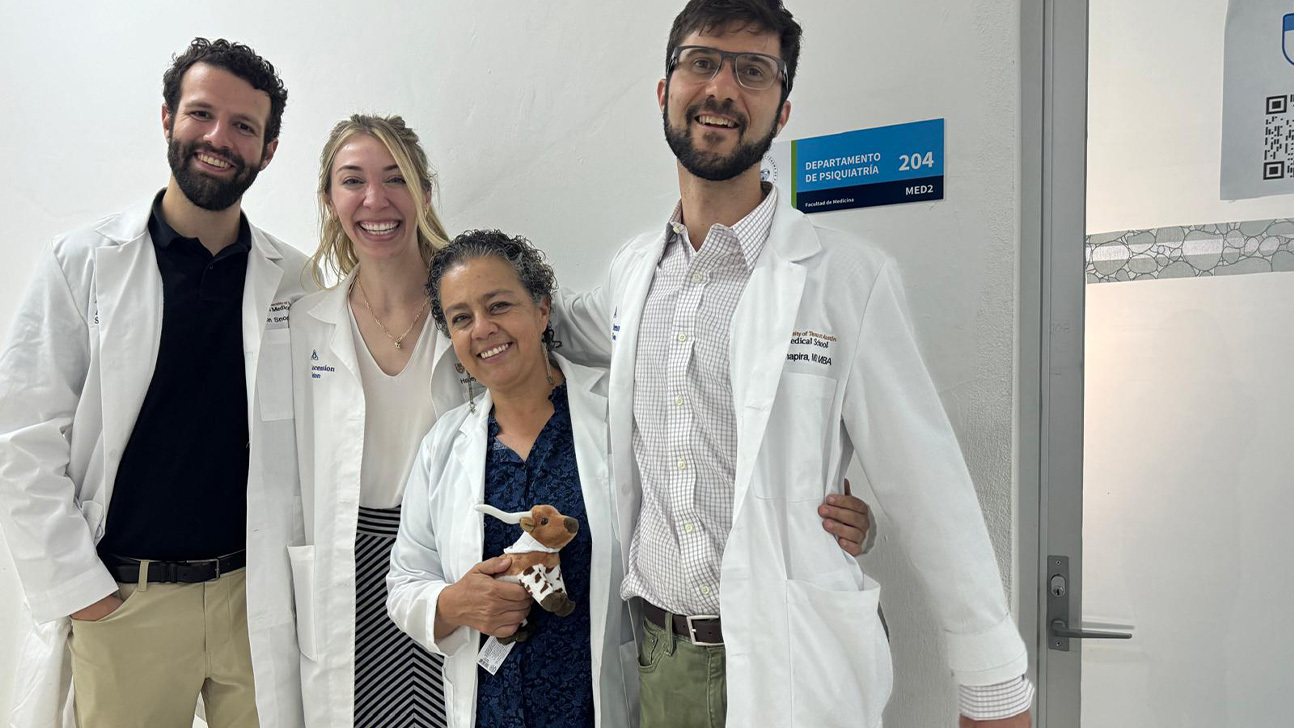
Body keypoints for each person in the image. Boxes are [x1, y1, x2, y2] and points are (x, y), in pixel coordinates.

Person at [555, 1, 1034, 726]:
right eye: (701, 62)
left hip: (789, 660)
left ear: (782, 111)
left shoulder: (843, 277)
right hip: (658, 662)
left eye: (753, 71)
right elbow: (533, 324)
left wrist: (993, 682)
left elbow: (927, 480)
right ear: (665, 91)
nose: (721, 88)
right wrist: (419, 262)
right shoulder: (633, 274)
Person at [0, 38, 310, 727]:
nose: (218, 138)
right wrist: (80, 590)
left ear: (268, 149)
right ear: (166, 118)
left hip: (254, 602)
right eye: (202, 114)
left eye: (243, 127)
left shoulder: (293, 277)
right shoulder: (82, 262)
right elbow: (23, 436)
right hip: (125, 602)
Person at [387, 230, 635, 728]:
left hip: (596, 708)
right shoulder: (444, 444)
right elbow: (404, 581)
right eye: (461, 318)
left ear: (543, 310)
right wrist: (453, 602)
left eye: (498, 305)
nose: (482, 329)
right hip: (490, 713)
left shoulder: (618, 416)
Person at [289, 114, 459, 727]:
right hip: (347, 574)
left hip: (451, 566)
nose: (375, 200)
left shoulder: (471, 313)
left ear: (424, 192)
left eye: (395, 179)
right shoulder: (304, 324)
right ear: (330, 201)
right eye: (352, 180)